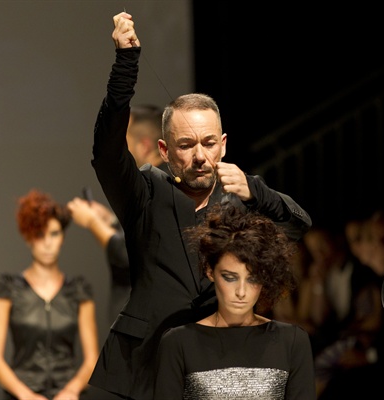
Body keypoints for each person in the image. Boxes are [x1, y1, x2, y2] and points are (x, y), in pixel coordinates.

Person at [87, 12, 312, 399]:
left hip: (219, 364)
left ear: (223, 145)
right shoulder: (145, 192)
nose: (200, 156)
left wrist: (257, 193)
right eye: (186, 145)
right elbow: (106, 152)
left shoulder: (242, 195)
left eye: (208, 143)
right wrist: (126, 64)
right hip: (144, 363)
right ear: (164, 150)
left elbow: (298, 225)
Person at [153, 205, 316, 399]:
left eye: (253, 279)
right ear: (210, 271)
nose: (241, 292)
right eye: (230, 277)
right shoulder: (178, 343)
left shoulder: (292, 341)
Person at [0, 189, 99, 400]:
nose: (48, 243)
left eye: (54, 234)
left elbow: (92, 359)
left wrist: (71, 391)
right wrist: (27, 396)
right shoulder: (9, 288)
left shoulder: (78, 290)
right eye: (40, 234)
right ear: (28, 238)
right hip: (21, 394)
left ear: (63, 237)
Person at [67, 104, 166, 328]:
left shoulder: (157, 186)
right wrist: (111, 220)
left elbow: (129, 251)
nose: (118, 148)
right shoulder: (150, 182)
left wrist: (92, 222)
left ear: (144, 146)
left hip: (144, 325)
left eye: (123, 139)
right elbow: (141, 231)